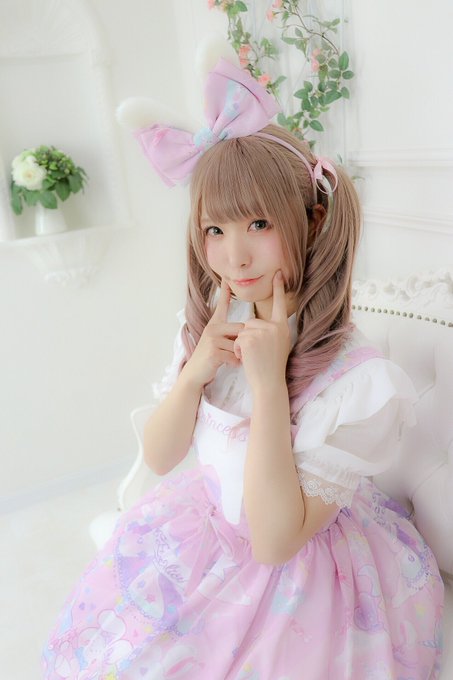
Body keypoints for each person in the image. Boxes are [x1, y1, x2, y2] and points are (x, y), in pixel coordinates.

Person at [42, 56, 444, 679]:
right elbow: (161, 456)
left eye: (258, 223)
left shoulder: (359, 383)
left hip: (299, 570)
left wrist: (268, 383)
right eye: (215, 229)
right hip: (204, 528)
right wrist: (197, 369)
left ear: (313, 219)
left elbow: (275, 540)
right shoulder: (211, 328)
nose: (234, 256)